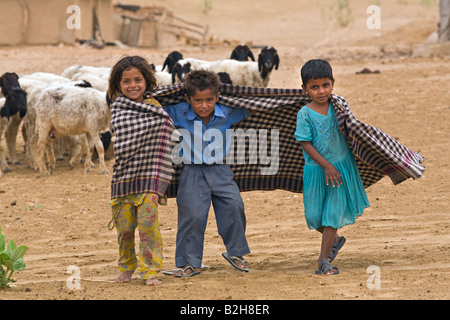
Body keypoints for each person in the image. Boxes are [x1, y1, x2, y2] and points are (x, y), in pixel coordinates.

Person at [163, 70, 251, 277]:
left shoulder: (227, 112)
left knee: (234, 206)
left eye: (209, 100)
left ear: (218, 96)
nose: (204, 106)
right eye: (198, 100)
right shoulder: (179, 112)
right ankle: (188, 263)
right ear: (187, 98)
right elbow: (156, 108)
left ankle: (236, 252)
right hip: (191, 171)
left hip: (221, 170)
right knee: (191, 216)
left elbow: (254, 107)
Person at [294, 59, 370, 275]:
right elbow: (305, 143)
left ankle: (324, 260)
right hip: (316, 172)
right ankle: (334, 240)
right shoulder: (304, 114)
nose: (321, 91)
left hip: (341, 169)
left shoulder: (339, 105)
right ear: (305, 89)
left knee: (332, 215)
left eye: (325, 85)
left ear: (333, 83)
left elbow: (352, 127)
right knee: (314, 217)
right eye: (314, 87)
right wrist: (326, 165)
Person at [108, 55, 176, 286]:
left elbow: (167, 130)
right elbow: (123, 139)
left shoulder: (155, 107)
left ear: (146, 81)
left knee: (148, 227)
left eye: (138, 79)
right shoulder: (118, 107)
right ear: (118, 84)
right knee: (124, 229)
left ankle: (150, 271)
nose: (133, 85)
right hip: (124, 178)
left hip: (151, 177)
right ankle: (127, 266)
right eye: (126, 81)